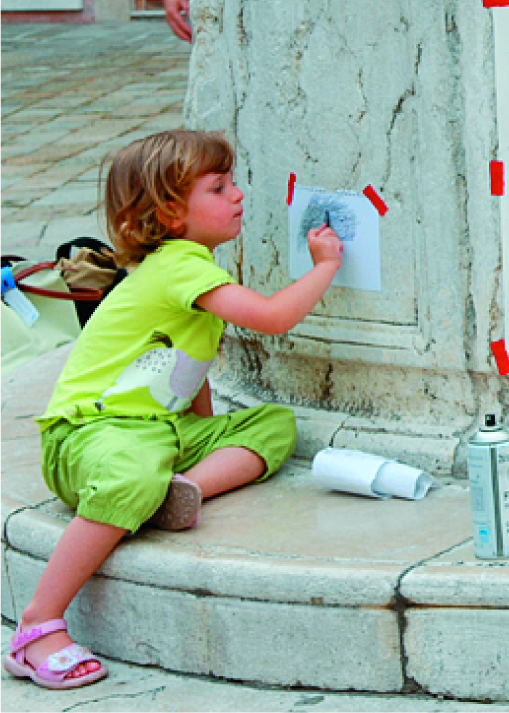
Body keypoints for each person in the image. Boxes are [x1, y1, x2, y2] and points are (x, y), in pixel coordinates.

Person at [5, 130, 341, 690]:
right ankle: (38, 628)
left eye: (231, 182)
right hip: (91, 435)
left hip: (159, 430)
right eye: (218, 188)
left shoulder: (191, 265)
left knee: (273, 425)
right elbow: (274, 317)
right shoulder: (179, 266)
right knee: (132, 473)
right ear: (169, 213)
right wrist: (324, 266)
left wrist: (204, 435)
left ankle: (178, 490)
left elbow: (189, 368)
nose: (237, 194)